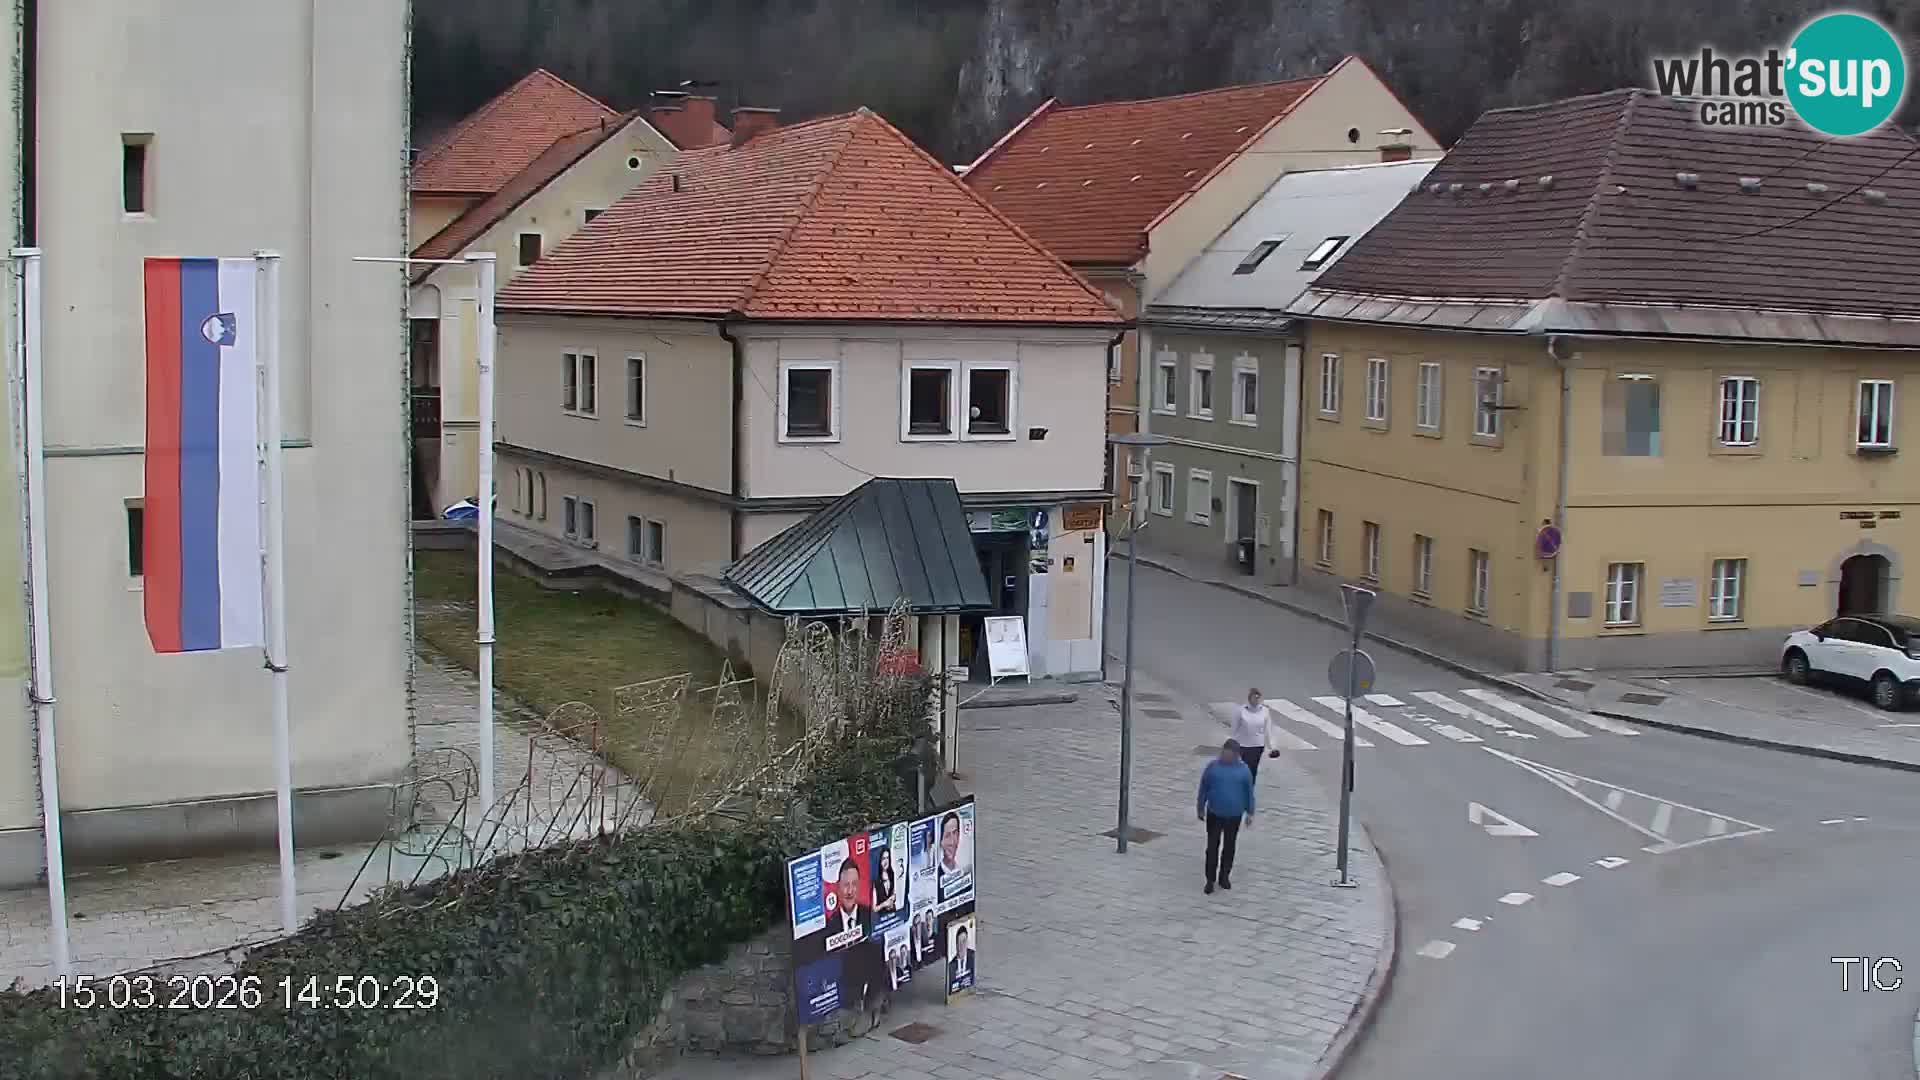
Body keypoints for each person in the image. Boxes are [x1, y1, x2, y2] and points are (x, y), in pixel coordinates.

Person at [1196, 739, 1255, 894]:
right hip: (1214, 813)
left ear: (1236, 755)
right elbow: (1204, 787)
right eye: (1224, 753)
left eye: (1229, 754)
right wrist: (1200, 807)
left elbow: (1248, 792)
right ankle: (1210, 879)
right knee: (1212, 847)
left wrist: (1250, 812)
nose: (1225, 757)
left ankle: (1224, 876)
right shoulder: (1213, 767)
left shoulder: (1244, 771)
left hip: (1234, 816)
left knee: (1229, 846)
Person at [1231, 688, 1282, 782]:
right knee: (1242, 769)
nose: (1256, 700)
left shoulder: (1265, 711)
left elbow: (1268, 730)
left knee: (1252, 769)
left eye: (1258, 698)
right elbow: (1234, 729)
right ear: (1249, 698)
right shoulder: (1240, 711)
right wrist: (1232, 744)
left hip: (1257, 746)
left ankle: (1249, 788)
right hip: (1242, 745)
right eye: (1254, 698)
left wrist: (1272, 747)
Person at [829, 858, 873, 937]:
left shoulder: (870, 916)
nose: (850, 891)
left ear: (859, 885)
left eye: (854, 884)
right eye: (846, 885)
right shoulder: (830, 924)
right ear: (838, 887)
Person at [874, 847, 898, 913]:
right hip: (881, 916)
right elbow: (874, 909)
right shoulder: (876, 881)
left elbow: (894, 893)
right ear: (879, 860)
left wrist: (893, 897)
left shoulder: (892, 874)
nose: (886, 861)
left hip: (893, 913)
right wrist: (884, 904)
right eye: (883, 858)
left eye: (887, 858)